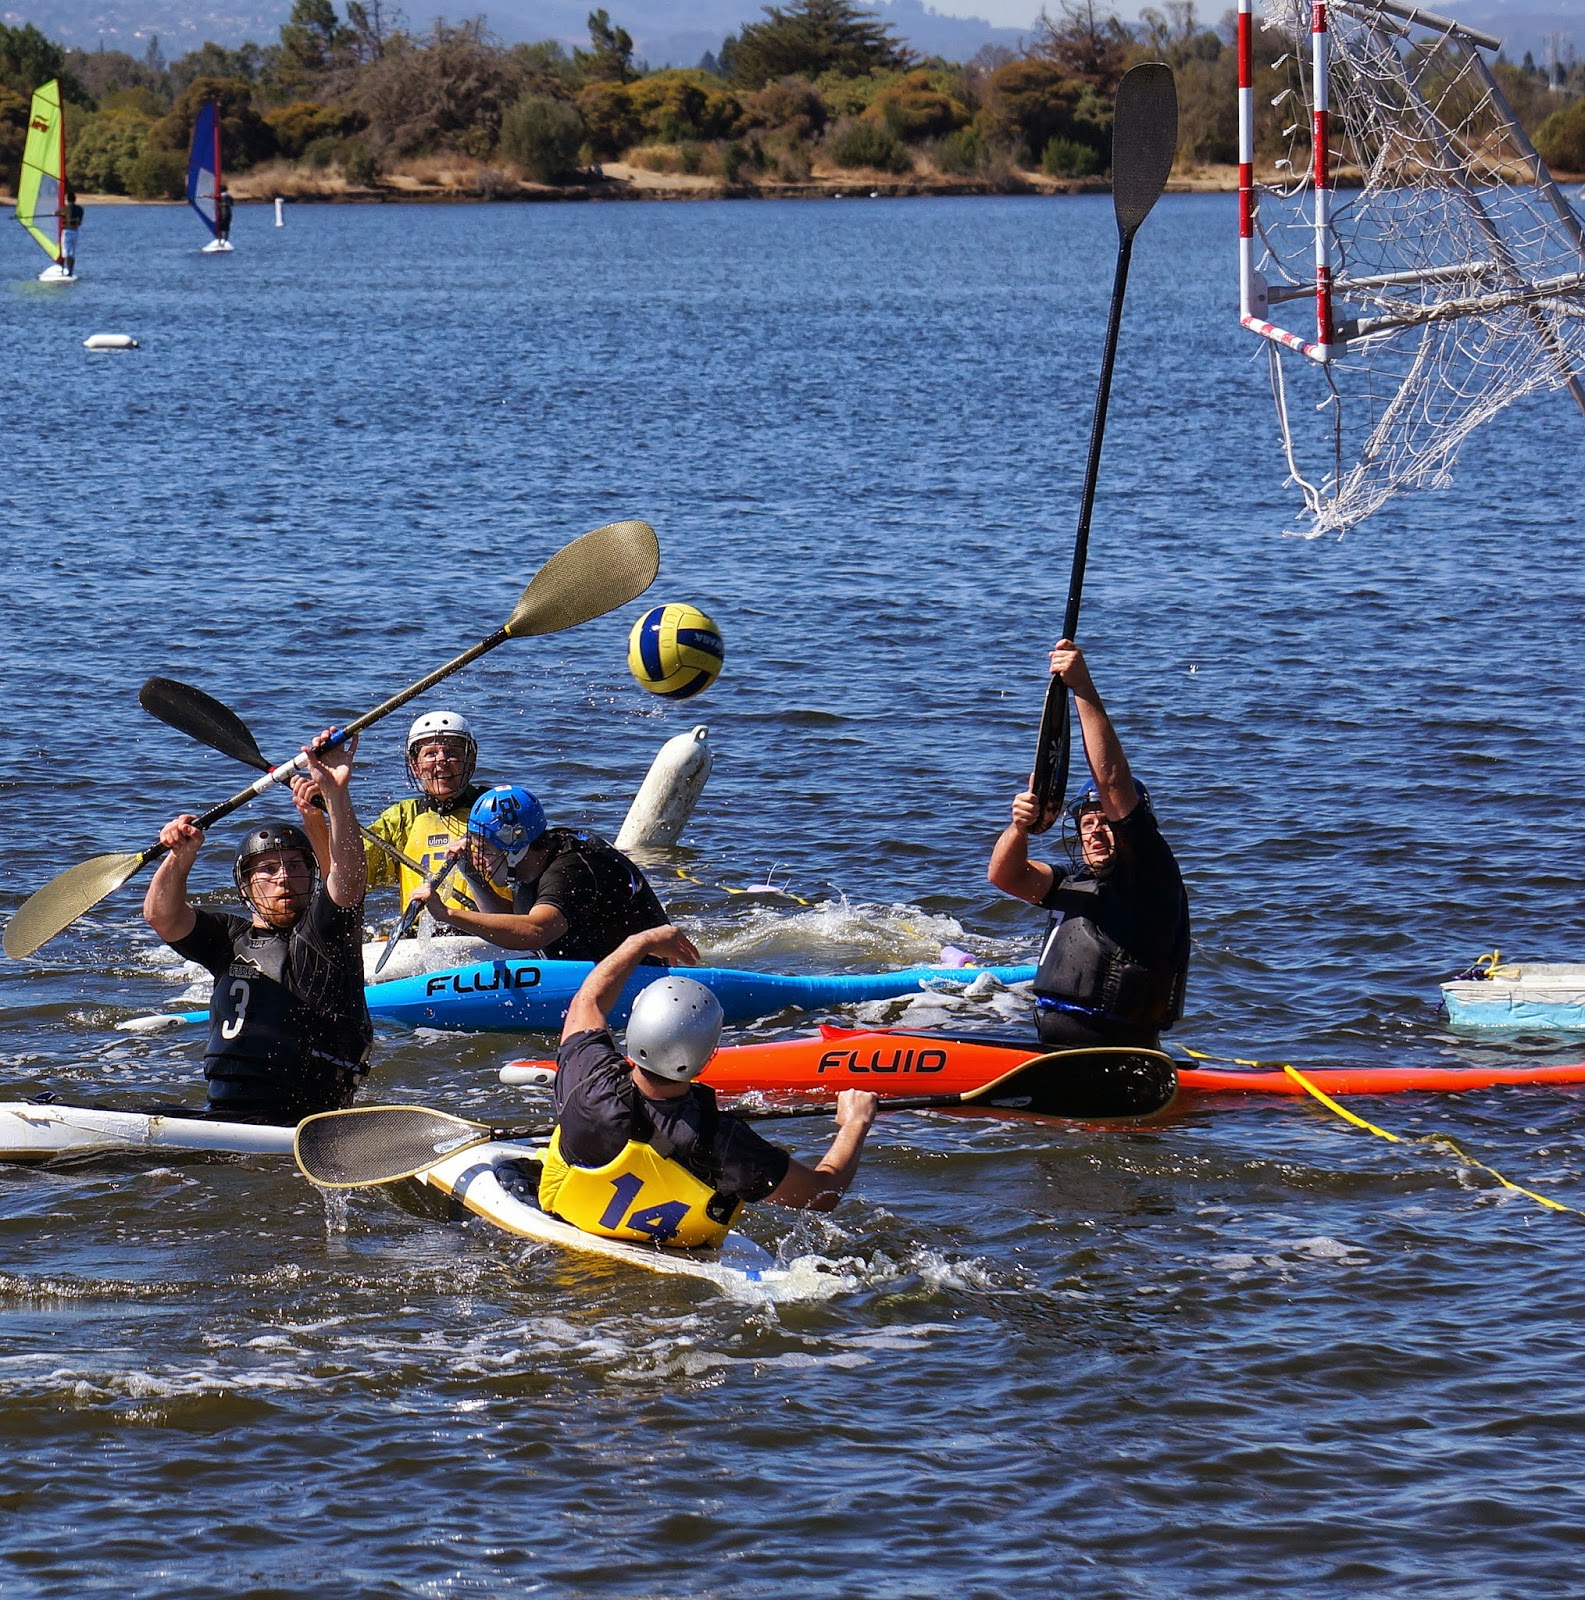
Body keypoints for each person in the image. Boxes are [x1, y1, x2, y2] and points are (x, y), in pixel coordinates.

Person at [540, 922, 879, 1247]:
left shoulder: (588, 1082)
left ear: (633, 1031)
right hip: (677, 1248)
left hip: (573, 1217)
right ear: (708, 1057)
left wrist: (638, 943)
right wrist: (854, 1123)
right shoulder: (726, 1141)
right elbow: (822, 1195)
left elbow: (588, 1002)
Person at [142, 729, 373, 1124]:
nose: (283, 878)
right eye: (267, 869)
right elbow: (162, 916)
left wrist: (335, 795)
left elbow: (348, 878)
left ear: (313, 877)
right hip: (226, 1115)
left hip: (309, 1120)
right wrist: (180, 856)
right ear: (245, 886)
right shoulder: (229, 940)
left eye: (296, 867)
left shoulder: (325, 931)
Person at [987, 640, 1190, 1050]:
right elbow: (1006, 876)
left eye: (1106, 822)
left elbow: (1112, 781)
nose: (1095, 831)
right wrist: (1019, 827)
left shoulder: (1150, 873)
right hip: (1055, 1048)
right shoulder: (1076, 882)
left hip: (1119, 1050)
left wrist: (1082, 686)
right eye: (1087, 823)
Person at [415, 784, 668, 962]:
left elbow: (535, 933)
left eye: (485, 849)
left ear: (513, 846)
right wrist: (470, 871)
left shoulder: (571, 869)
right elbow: (510, 925)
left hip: (648, 977)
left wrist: (448, 914)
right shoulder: (531, 860)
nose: (479, 856)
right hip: (600, 968)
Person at [302, 709, 489, 920]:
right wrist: (323, 807)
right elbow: (346, 882)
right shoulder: (402, 817)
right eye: (430, 753)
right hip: (421, 940)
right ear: (414, 766)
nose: (442, 760)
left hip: (490, 935)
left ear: (470, 759)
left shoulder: (496, 808)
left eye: (452, 751)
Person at [60, 187, 83, 277]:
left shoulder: (65, 208)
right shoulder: (80, 209)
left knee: (66, 253)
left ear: (67, 199)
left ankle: (66, 270)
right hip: (75, 232)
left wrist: (55, 213)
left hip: (67, 232)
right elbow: (80, 222)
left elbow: (57, 212)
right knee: (72, 253)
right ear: (75, 199)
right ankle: (71, 271)